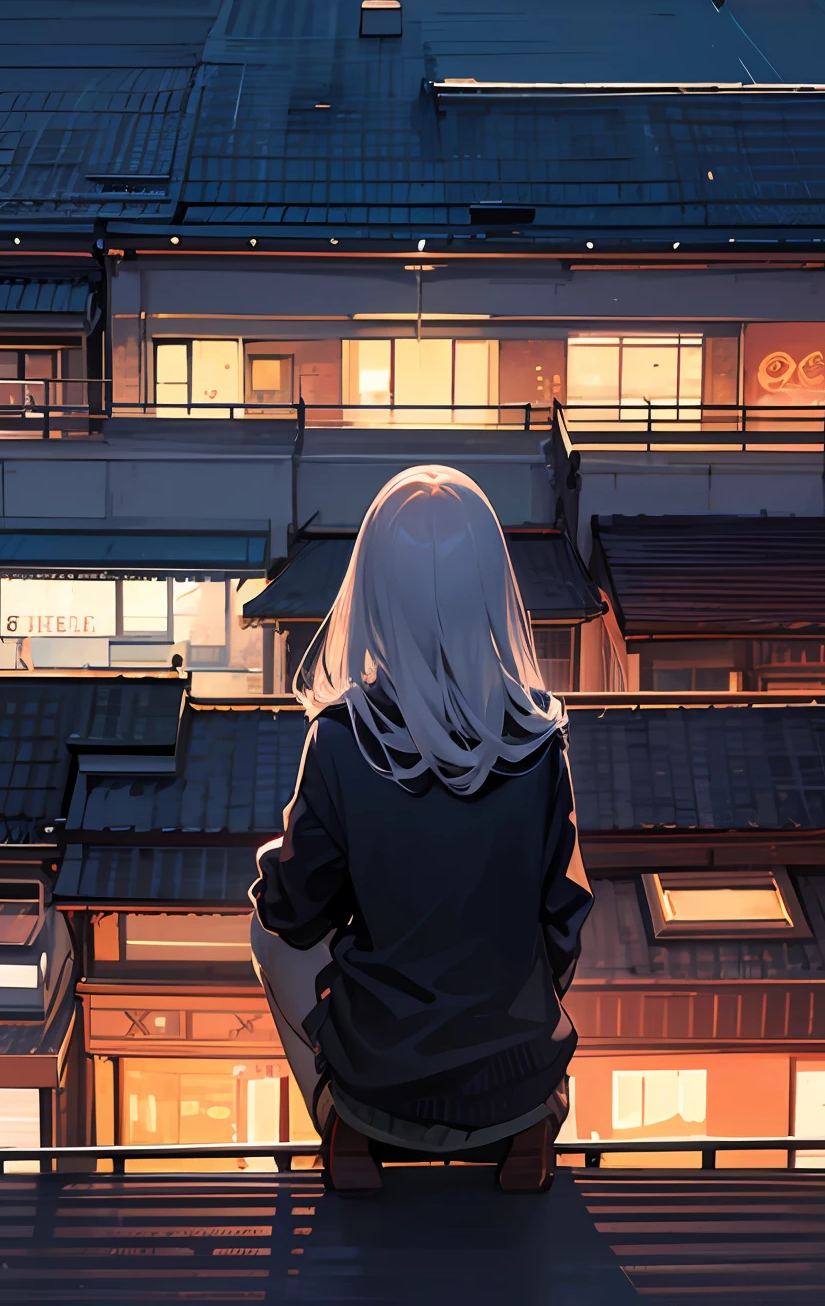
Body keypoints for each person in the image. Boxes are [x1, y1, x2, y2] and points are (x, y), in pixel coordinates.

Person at [251, 465, 592, 1195]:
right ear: (489, 589)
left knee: (261, 931)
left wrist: (278, 859)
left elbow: (293, 914)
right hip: (514, 1082)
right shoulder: (538, 741)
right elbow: (563, 922)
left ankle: (342, 1123)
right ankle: (530, 1127)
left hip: (381, 1079)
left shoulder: (343, 739)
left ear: (373, 588)